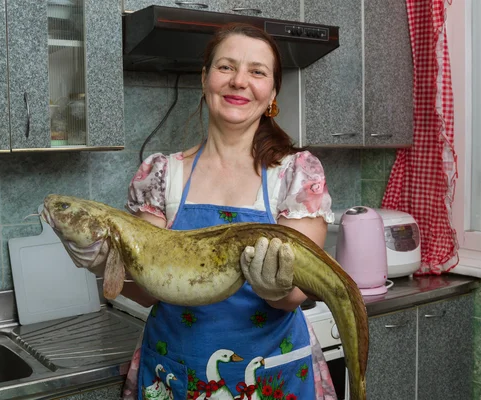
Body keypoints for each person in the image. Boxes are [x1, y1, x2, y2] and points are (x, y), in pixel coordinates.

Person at [121, 23, 336, 400]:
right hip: (175, 373)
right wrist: (109, 265)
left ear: (272, 91)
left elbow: (296, 293)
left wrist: (278, 291)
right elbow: (144, 292)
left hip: (272, 376)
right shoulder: (160, 174)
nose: (239, 81)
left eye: (257, 71)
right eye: (226, 67)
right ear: (205, 79)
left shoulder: (296, 174)